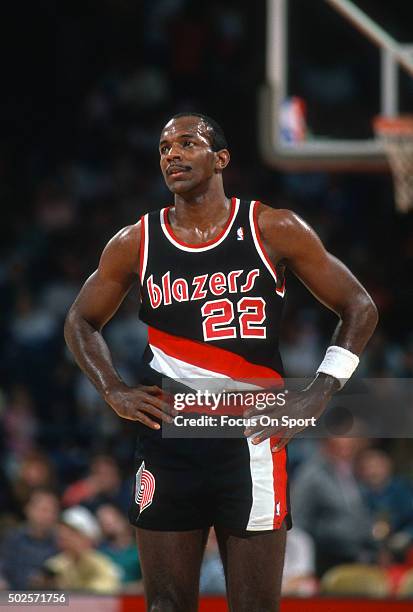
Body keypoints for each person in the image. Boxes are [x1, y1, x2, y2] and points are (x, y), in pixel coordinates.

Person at [64, 113, 378, 611]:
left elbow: (359, 306)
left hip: (250, 441)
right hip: (170, 441)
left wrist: (320, 390)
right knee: (166, 606)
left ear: (221, 159)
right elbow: (80, 321)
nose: (172, 154)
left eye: (188, 143)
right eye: (165, 147)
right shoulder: (135, 242)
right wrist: (113, 389)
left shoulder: (272, 227)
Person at [0, 489, 59, 590]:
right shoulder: (13, 539)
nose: (47, 516)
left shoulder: (60, 541)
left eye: (52, 511)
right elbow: (3, 567)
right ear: (28, 510)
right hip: (14, 597)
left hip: (49, 599)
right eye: (43, 510)